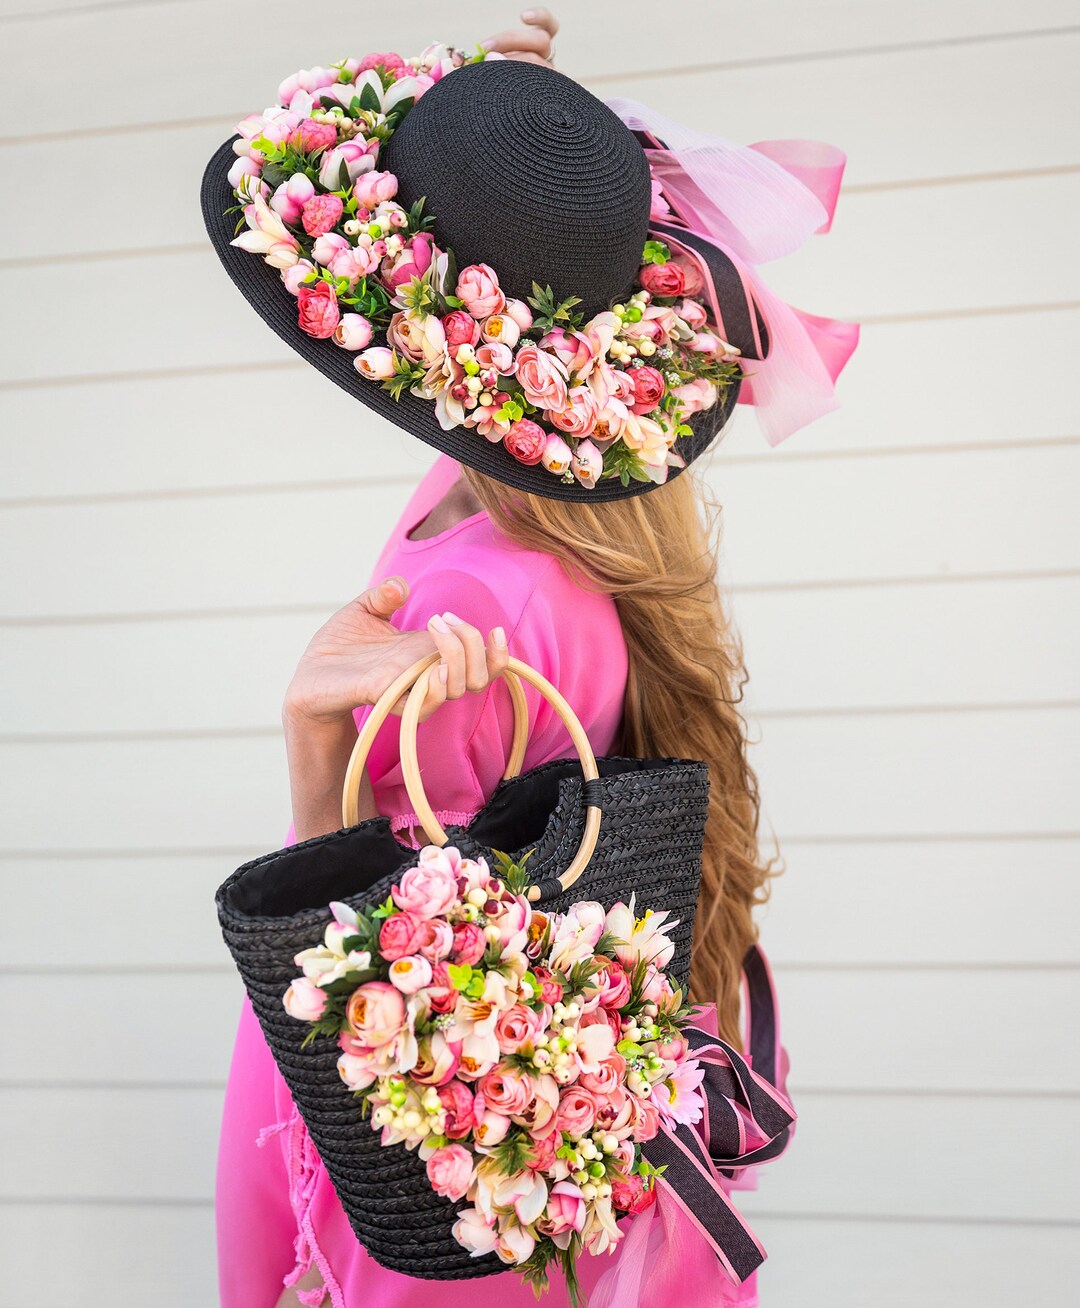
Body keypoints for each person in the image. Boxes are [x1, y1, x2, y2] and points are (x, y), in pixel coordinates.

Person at [204, 10, 856, 1306]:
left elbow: (359, 950)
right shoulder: (575, 550)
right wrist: (531, 146)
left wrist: (312, 732)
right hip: (564, 1163)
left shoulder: (468, 600)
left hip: (439, 1192)